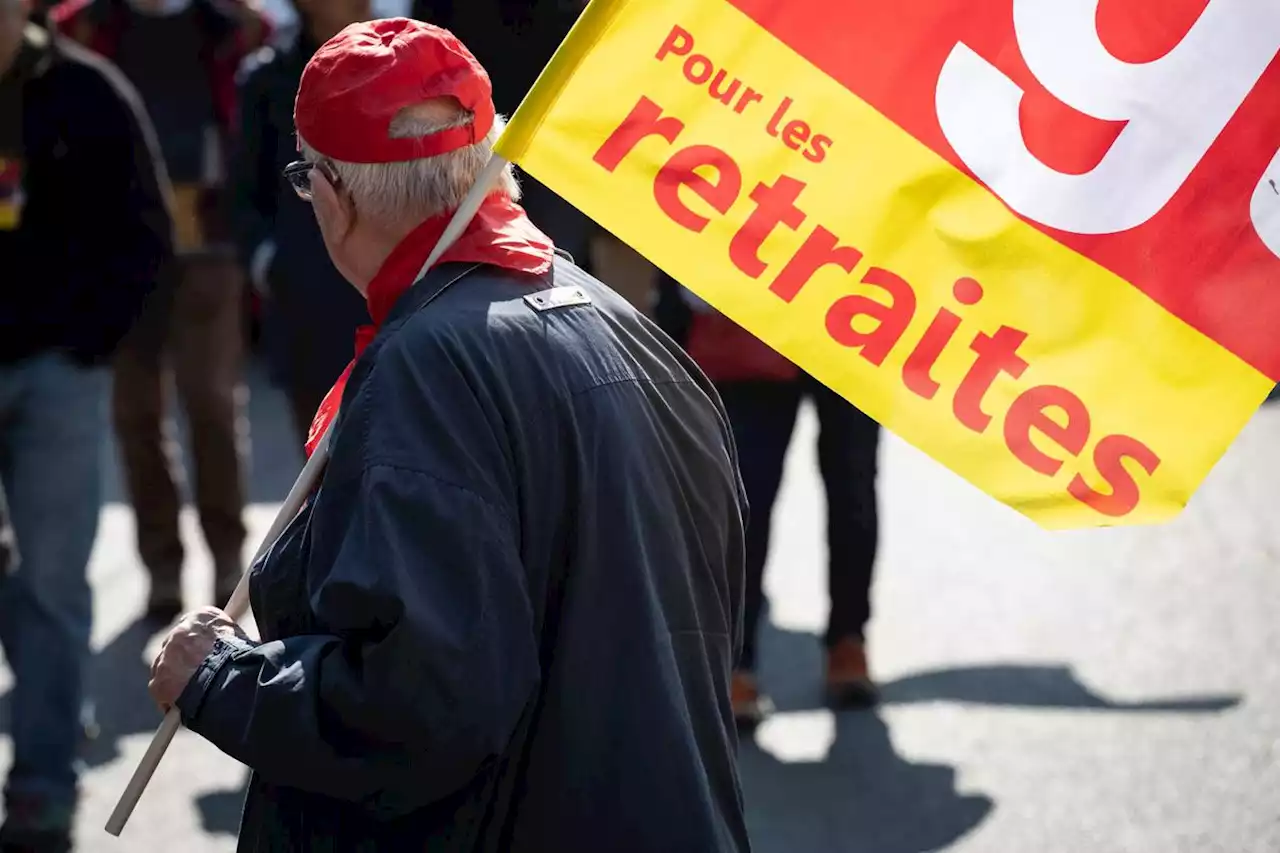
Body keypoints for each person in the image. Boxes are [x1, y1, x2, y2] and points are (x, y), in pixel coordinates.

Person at [147, 18, 751, 852]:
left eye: (303, 179)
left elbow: (423, 704)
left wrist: (223, 679)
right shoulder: (611, 319)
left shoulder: (429, 368)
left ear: (331, 195)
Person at [0, 3, 172, 849]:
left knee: (54, 582)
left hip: (55, 377)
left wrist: (89, 345)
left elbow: (146, 236)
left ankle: (40, 784)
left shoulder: (87, 92)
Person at [49, 0, 269, 620]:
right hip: (121, 257)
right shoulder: (88, 28)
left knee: (211, 406)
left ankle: (228, 561)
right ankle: (162, 569)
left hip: (210, 248)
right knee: (137, 418)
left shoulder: (231, 27)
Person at [678, 287, 882, 725]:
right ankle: (736, 661)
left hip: (855, 322)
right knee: (744, 501)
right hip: (754, 313)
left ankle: (850, 640)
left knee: (854, 490)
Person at [231, 0, 371, 445]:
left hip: (398, 295)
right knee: (321, 470)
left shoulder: (406, 62)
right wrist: (271, 264)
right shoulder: (269, 76)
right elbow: (244, 190)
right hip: (307, 304)